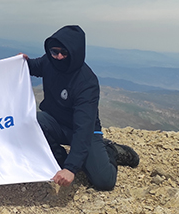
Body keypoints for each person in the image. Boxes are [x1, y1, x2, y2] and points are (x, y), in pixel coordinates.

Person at [23, 25, 139, 190]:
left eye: (64, 52)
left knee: (103, 181)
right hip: (57, 125)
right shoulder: (49, 61)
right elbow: (34, 66)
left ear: (75, 52)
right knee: (35, 120)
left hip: (86, 132)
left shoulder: (86, 82)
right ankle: (60, 159)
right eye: (54, 51)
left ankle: (110, 150)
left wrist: (71, 168)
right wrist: (21, 63)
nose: (59, 56)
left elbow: (83, 128)